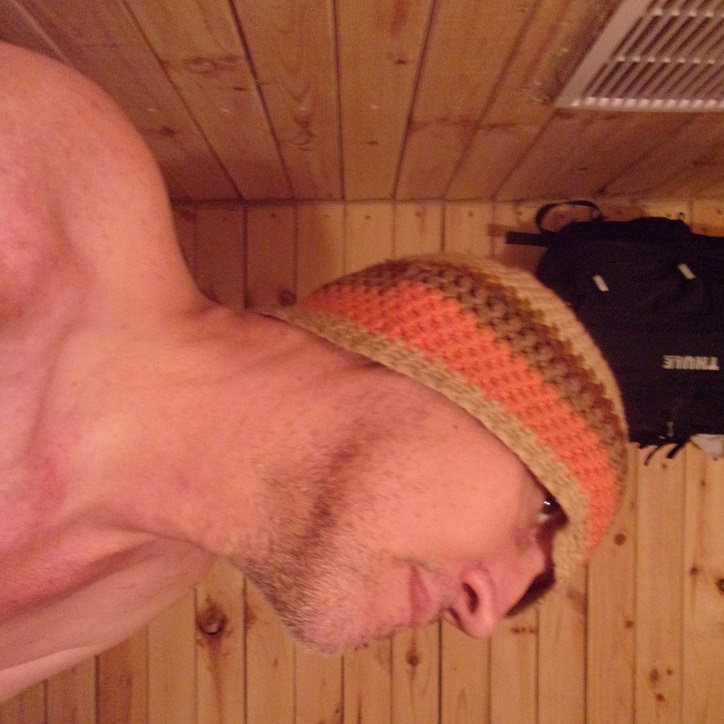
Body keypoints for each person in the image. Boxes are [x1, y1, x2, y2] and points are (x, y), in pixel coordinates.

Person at [0, 41, 628, 702]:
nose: (482, 619)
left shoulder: (135, 589)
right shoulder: (47, 176)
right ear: (433, 349)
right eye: (545, 508)